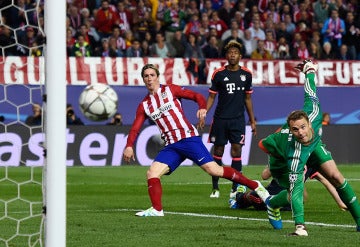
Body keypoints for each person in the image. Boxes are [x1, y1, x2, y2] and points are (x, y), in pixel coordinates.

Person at [123, 64, 270, 217]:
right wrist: (129, 146)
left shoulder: (171, 89)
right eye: (146, 76)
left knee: (214, 170)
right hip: (171, 145)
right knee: (152, 173)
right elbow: (135, 128)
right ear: (143, 79)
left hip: (188, 139)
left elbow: (197, 96)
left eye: (152, 75)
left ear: (158, 77)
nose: (149, 78)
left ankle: (255, 185)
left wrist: (202, 108)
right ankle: (157, 209)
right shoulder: (144, 105)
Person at [259, 59, 360, 236]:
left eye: (303, 127)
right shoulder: (293, 151)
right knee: (294, 191)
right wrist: (300, 227)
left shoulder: (313, 111)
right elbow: (262, 143)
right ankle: (273, 203)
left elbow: (310, 90)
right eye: (295, 129)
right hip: (281, 160)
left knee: (336, 176)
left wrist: (309, 71)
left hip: (313, 146)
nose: (300, 132)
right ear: (290, 129)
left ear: (309, 123)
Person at [199, 41, 256, 199]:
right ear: (226, 55)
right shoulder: (218, 74)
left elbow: (248, 99)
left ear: (240, 56)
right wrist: (204, 112)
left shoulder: (246, 74)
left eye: (235, 52)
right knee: (218, 151)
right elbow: (211, 96)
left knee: (237, 151)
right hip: (220, 120)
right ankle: (215, 188)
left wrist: (252, 120)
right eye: (230, 52)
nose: (232, 55)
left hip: (238, 120)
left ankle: (235, 187)